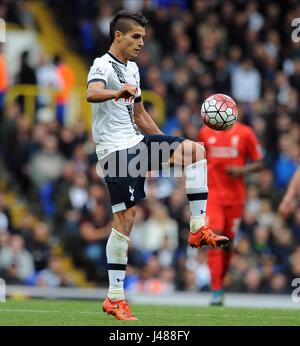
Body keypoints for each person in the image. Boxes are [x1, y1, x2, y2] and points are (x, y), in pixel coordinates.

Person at [86, 10, 229, 320]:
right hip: (114, 153)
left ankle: (197, 228)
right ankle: (114, 298)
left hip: (136, 144)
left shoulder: (134, 70)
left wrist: (166, 146)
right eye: (136, 37)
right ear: (119, 36)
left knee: (194, 151)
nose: (141, 42)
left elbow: (140, 116)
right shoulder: (102, 65)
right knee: (126, 220)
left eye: (144, 38)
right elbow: (91, 93)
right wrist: (115, 92)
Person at [198, 120, 263, 305]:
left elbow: (259, 163)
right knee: (214, 239)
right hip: (213, 195)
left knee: (228, 243)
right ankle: (216, 290)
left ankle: (221, 281)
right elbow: (197, 161)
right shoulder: (204, 133)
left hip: (235, 199)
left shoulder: (245, 133)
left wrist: (242, 170)